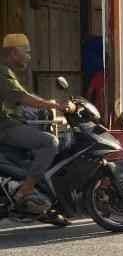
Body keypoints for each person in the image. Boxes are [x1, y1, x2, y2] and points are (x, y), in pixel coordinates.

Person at [0, 34, 71, 215]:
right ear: (14, 52)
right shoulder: (2, 72)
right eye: (27, 52)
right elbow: (22, 97)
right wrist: (55, 105)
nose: (29, 57)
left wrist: (47, 104)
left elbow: (22, 97)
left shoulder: (7, 73)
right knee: (49, 142)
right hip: (5, 127)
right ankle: (26, 190)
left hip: (10, 123)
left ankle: (43, 201)